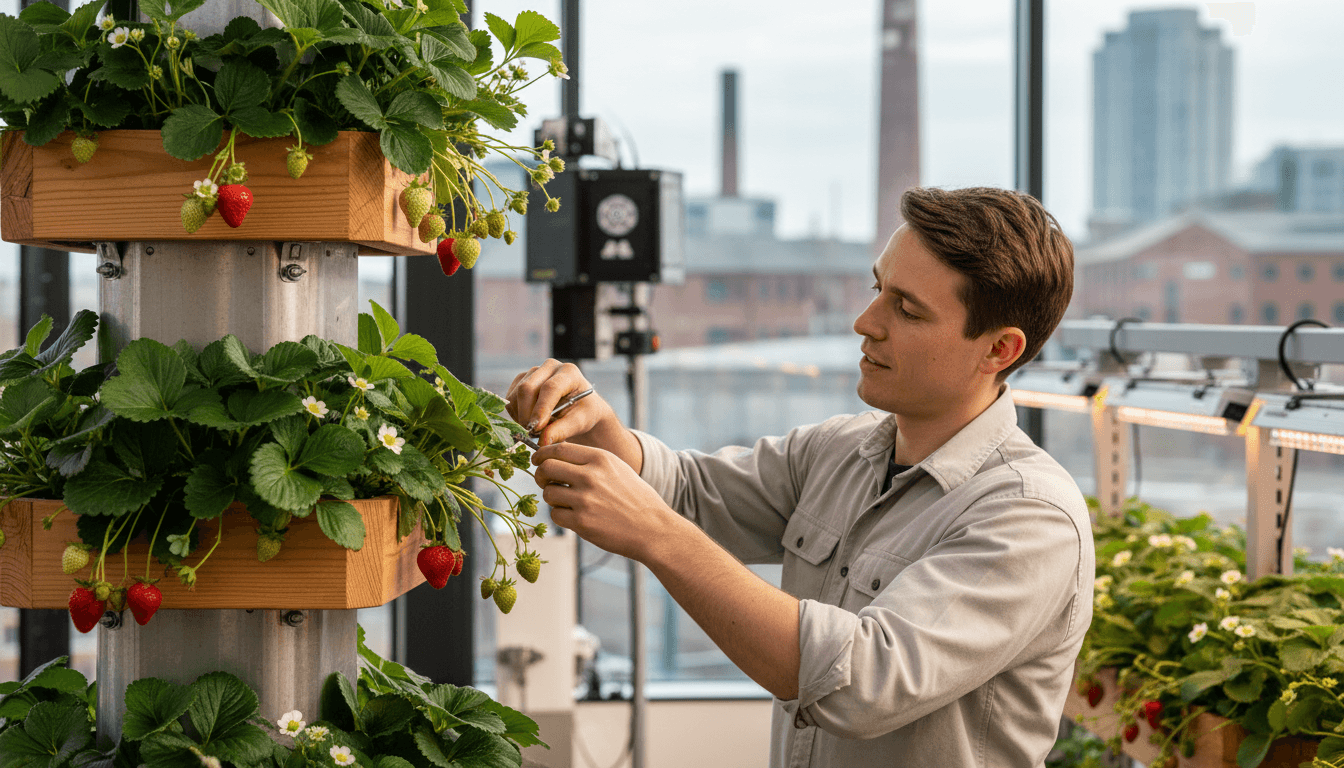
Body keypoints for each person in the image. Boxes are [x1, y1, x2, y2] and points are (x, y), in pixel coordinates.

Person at [505, 186, 1094, 767]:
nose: (866, 322)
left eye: (908, 309)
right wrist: (598, 424)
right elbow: (689, 492)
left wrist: (658, 537)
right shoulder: (838, 451)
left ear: (1000, 349)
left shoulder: (1029, 516)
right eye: (877, 289)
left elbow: (859, 683)